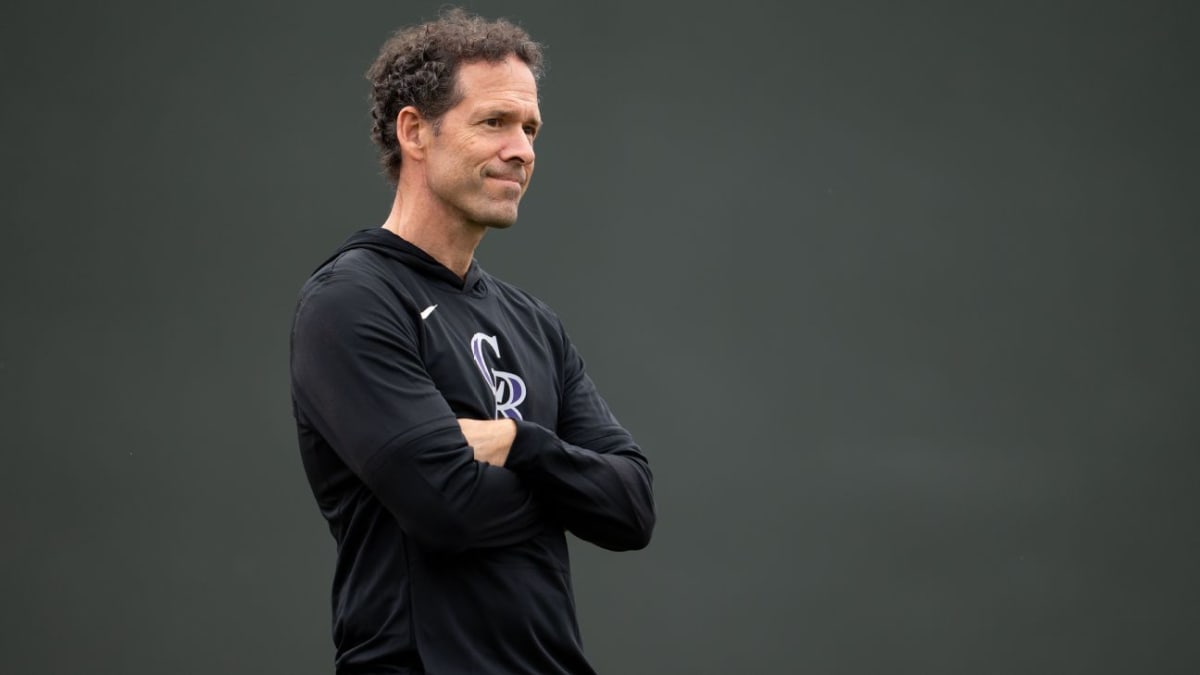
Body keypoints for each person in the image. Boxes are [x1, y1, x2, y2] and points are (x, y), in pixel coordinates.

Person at [289, 9, 656, 674]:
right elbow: (447, 506)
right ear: (414, 132)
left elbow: (632, 505)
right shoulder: (351, 301)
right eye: (495, 122)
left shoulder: (533, 322)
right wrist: (568, 490)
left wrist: (521, 443)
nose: (523, 149)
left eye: (531, 128)